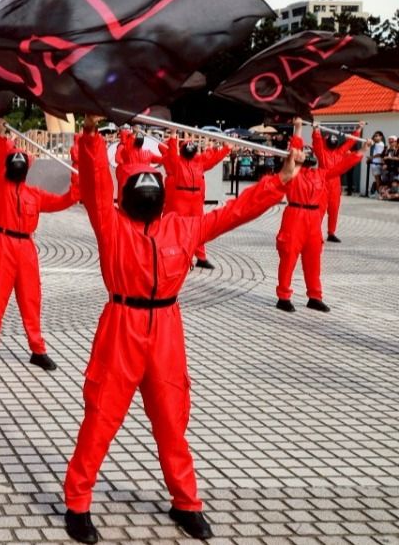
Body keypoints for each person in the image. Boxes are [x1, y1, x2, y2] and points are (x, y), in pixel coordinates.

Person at [62, 115, 302, 544]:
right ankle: (77, 504)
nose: (148, 190)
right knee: (100, 418)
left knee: (172, 421)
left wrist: (279, 182)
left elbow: (233, 212)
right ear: (126, 194)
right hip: (121, 327)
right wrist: (90, 137)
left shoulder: (184, 226)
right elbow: (97, 188)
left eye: (153, 184)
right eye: (140, 185)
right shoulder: (111, 225)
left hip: (167, 331)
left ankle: (186, 502)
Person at [0, 127, 77, 372]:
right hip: (3, 245)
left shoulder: (35, 194)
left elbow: (64, 200)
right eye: (15, 161)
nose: (19, 164)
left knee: (31, 300)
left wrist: (78, 183)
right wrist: (1, 136)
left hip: (27, 249)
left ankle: (37, 349)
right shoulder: (0, 187)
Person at [275, 121, 362, 313]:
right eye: (306, 154)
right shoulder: (293, 173)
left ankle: (314, 296)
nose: (310, 156)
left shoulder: (322, 174)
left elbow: (342, 166)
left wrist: (361, 151)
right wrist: (298, 129)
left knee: (314, 258)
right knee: (289, 255)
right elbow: (294, 149)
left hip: (313, 219)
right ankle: (283, 296)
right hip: (295, 216)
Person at [159, 135, 230, 269]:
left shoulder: (199, 163)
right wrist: (173, 137)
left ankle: (200, 257)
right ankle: (180, 256)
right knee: (179, 228)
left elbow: (214, 160)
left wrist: (226, 149)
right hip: (180, 198)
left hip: (195, 199)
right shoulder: (176, 162)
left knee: (198, 228)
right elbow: (169, 151)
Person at [314, 123, 364, 242]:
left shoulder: (339, 152)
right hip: (323, 183)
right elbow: (317, 143)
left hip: (335, 184)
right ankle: (315, 234)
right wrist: (316, 130)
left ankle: (331, 232)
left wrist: (359, 129)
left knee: (334, 209)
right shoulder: (322, 152)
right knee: (320, 210)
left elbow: (350, 142)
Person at [367, 131, 386, 198]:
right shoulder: (377, 144)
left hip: (377, 164)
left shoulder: (380, 144)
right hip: (376, 163)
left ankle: (379, 193)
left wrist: (371, 157)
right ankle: (379, 192)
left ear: (381, 137)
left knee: (378, 179)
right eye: (375, 136)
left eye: (377, 136)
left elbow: (380, 154)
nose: (375, 137)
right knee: (378, 179)